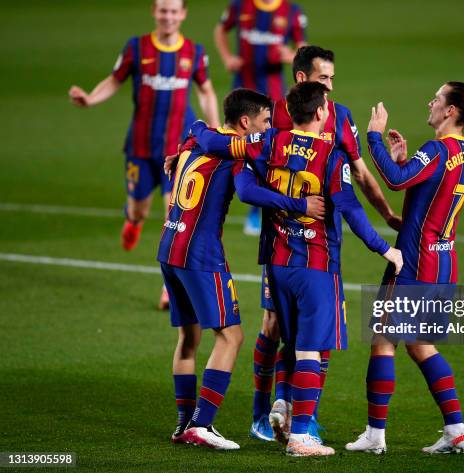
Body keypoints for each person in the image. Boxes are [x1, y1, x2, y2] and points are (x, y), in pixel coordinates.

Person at [191, 81, 403, 456]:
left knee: (290, 341)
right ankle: (302, 435)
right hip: (316, 264)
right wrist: (385, 249)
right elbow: (352, 211)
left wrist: (193, 132)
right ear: (322, 113)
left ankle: (282, 407)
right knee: (311, 350)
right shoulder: (332, 156)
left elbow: (226, 160)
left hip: (276, 264)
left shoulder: (269, 142)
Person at [158, 88, 324, 450]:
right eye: (265, 121)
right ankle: (202, 425)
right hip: (200, 254)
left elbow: (198, 130)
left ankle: (184, 423)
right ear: (246, 122)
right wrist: (299, 203)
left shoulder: (194, 137)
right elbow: (250, 194)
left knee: (188, 338)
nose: (268, 127)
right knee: (231, 336)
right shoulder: (238, 153)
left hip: (169, 246)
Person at [252, 46, 402, 443]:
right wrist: (383, 244)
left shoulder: (332, 118)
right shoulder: (275, 117)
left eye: (333, 78)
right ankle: (274, 414)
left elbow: (360, 172)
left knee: (305, 335)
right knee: (288, 331)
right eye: (324, 79)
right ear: (303, 79)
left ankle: (298, 413)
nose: (331, 88)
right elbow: (350, 193)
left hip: (293, 248)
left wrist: (387, 213)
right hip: (303, 250)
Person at [345, 82, 464, 455]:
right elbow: (424, 193)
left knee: (383, 340)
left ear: (451, 112)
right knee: (420, 345)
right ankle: (457, 430)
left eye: (438, 98)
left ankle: (375, 435)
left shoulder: (438, 149)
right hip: (443, 262)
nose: (431, 102)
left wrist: (374, 138)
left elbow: (396, 183)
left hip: (413, 261)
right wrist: (403, 162)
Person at [69, 0, 220, 309]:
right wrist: (90, 99)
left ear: (183, 14)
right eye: (163, 10)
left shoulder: (194, 52)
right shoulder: (136, 48)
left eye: (173, 10)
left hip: (180, 151)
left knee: (173, 217)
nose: (168, 16)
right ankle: (133, 221)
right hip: (140, 147)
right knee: (139, 209)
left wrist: (215, 127)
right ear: (154, 12)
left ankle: (169, 288)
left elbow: (205, 90)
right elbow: (114, 80)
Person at [214, 0, 308, 236]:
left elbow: (302, 49)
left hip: (272, 99)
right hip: (240, 95)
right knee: (229, 150)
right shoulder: (240, 6)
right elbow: (220, 29)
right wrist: (227, 57)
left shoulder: (291, 11)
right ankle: (208, 202)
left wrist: (291, 56)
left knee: (267, 154)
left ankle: (257, 212)